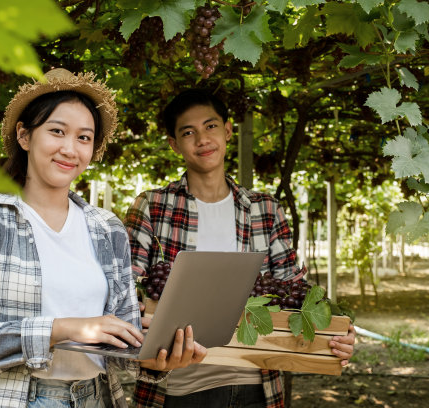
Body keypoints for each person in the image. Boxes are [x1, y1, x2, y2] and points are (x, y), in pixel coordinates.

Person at [0, 69, 206, 408]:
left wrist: (155, 356)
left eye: (83, 137)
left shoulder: (108, 230)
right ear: (24, 136)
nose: (69, 148)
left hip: (96, 398)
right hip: (14, 399)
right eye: (57, 131)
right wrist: (62, 329)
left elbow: (118, 346)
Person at [124, 89, 356, 408]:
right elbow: (125, 292)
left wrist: (335, 333)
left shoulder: (265, 209)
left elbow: (294, 292)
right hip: (178, 391)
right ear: (174, 145)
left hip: (256, 389)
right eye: (188, 132)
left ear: (229, 130)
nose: (202, 139)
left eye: (210, 126)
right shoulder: (153, 206)